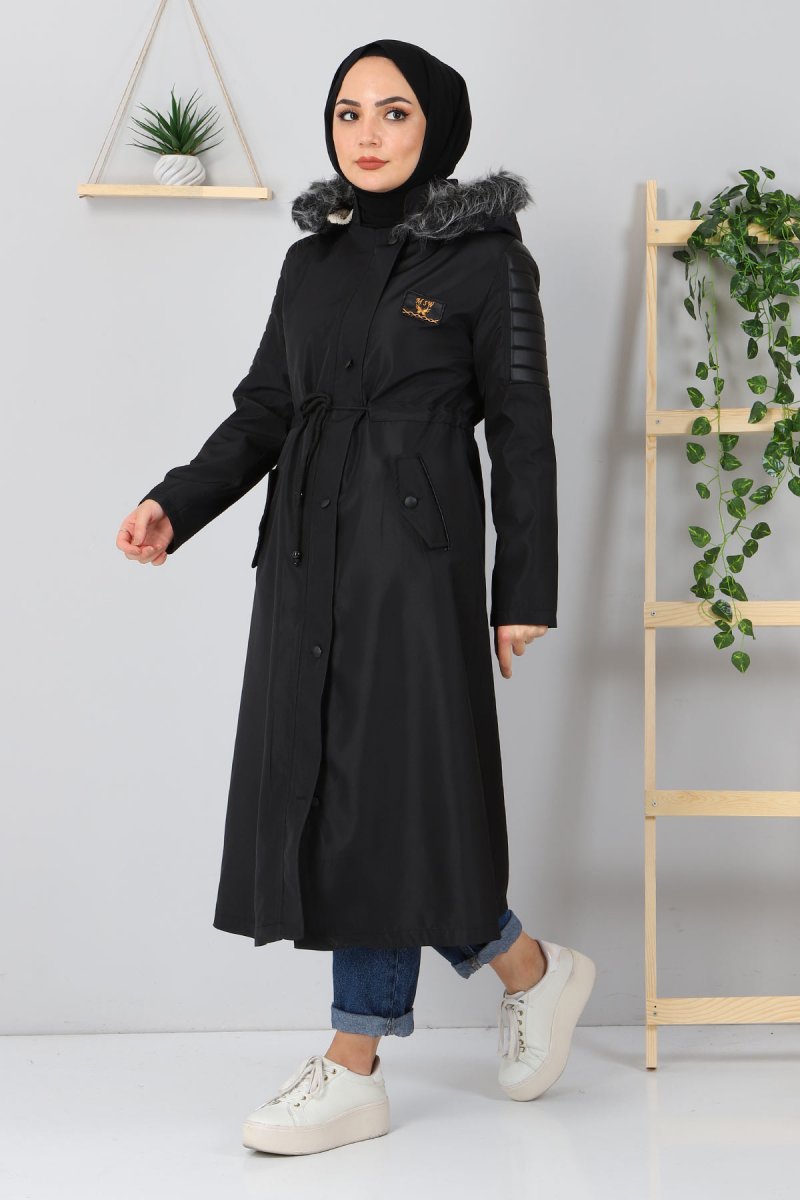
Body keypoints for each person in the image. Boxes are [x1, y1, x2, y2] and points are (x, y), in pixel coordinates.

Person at [116, 38, 595, 1156]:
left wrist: (521, 588)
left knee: (383, 794)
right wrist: (177, 502)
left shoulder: (487, 261)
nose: (367, 133)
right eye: (348, 112)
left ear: (437, 126)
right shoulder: (311, 263)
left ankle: (354, 1064)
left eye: (393, 112)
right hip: (304, 557)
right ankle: (530, 967)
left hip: (413, 564)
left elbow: (522, 433)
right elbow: (265, 410)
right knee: (343, 793)